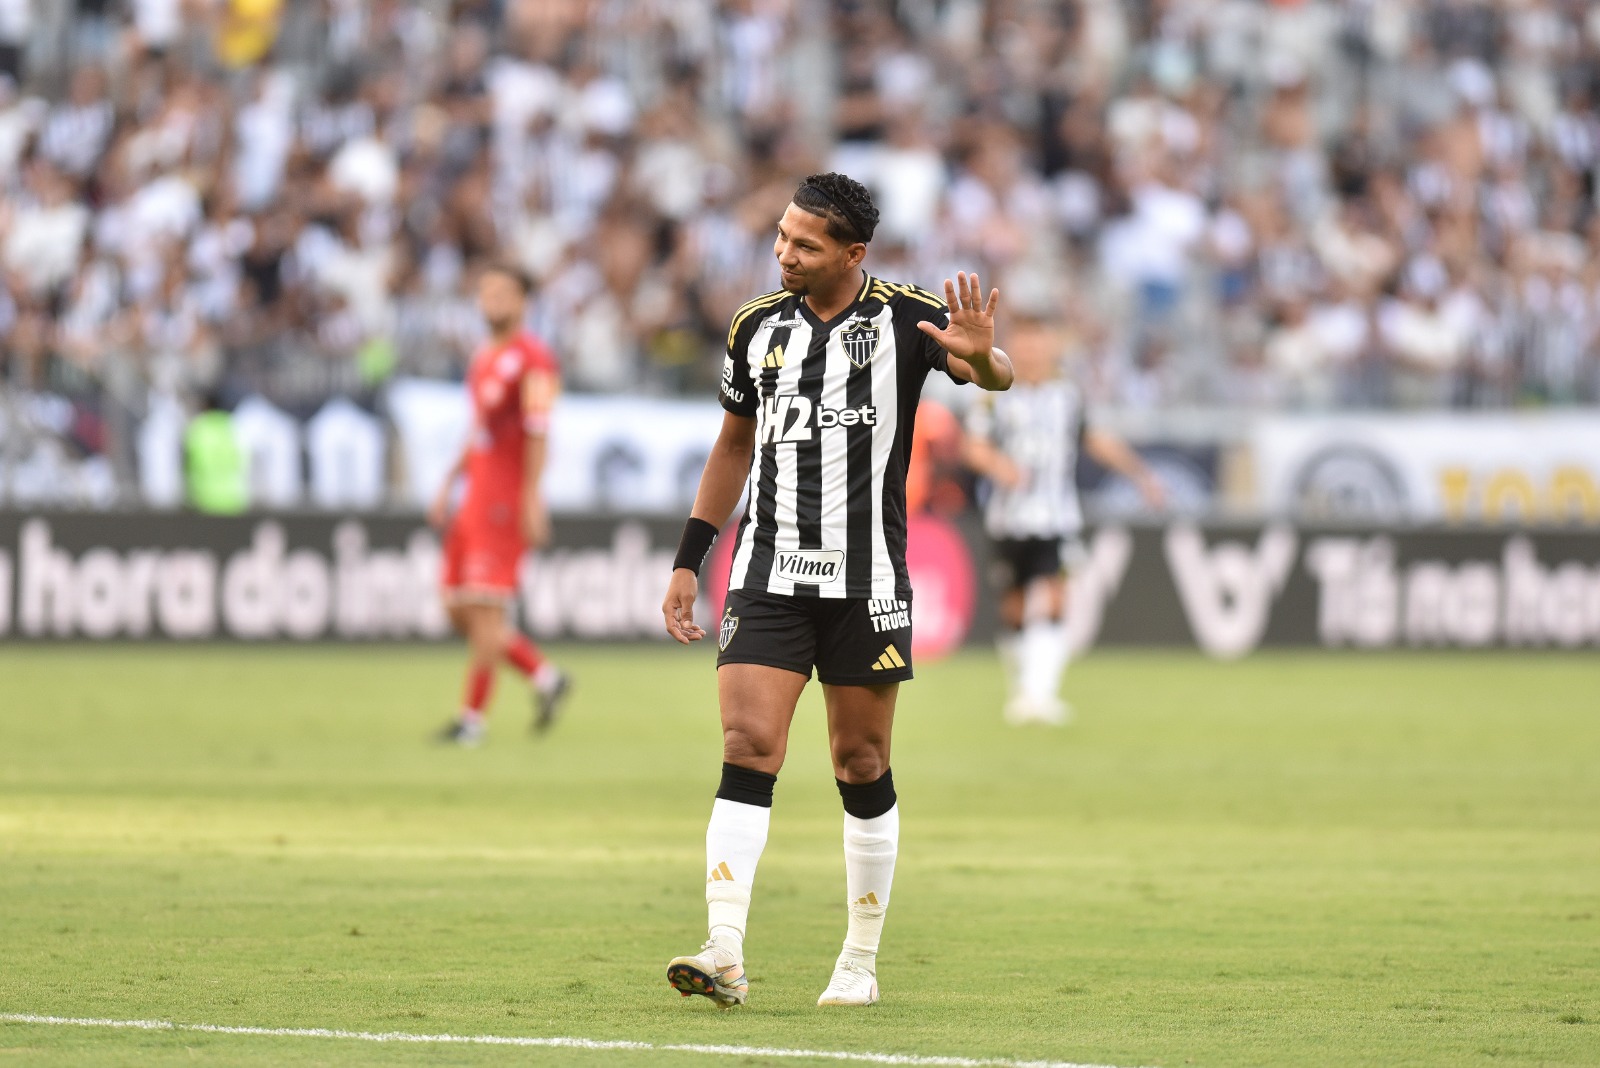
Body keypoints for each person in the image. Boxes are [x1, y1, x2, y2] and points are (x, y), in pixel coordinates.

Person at [660, 172, 1014, 1009]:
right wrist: (688, 558)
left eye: (805, 244)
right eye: (781, 236)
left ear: (852, 254)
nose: (784, 252)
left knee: (861, 761)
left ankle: (858, 959)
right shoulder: (756, 327)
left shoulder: (905, 316)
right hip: (767, 573)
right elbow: (732, 447)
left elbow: (989, 376)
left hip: (867, 581)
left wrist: (984, 353)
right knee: (748, 745)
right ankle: (724, 947)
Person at [962, 316, 1165, 725]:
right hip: (1009, 519)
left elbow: (1096, 438)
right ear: (1014, 346)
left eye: (1039, 342)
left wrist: (1142, 476)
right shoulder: (992, 394)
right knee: (1015, 606)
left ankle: (1043, 693)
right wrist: (1000, 466)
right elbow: (973, 446)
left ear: (1051, 345)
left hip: (1058, 516)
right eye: (1025, 342)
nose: (1033, 350)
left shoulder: (1068, 393)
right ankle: (1022, 691)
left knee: (1055, 596)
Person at [430, 263, 570, 746]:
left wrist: (531, 495)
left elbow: (538, 431)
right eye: (486, 291)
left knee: (486, 613)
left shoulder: (536, 360)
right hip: (475, 496)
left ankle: (471, 720)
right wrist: (450, 481)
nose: (493, 301)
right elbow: (481, 432)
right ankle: (544, 676)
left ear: (523, 301)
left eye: (503, 293)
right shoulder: (483, 357)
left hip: (504, 501)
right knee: (456, 605)